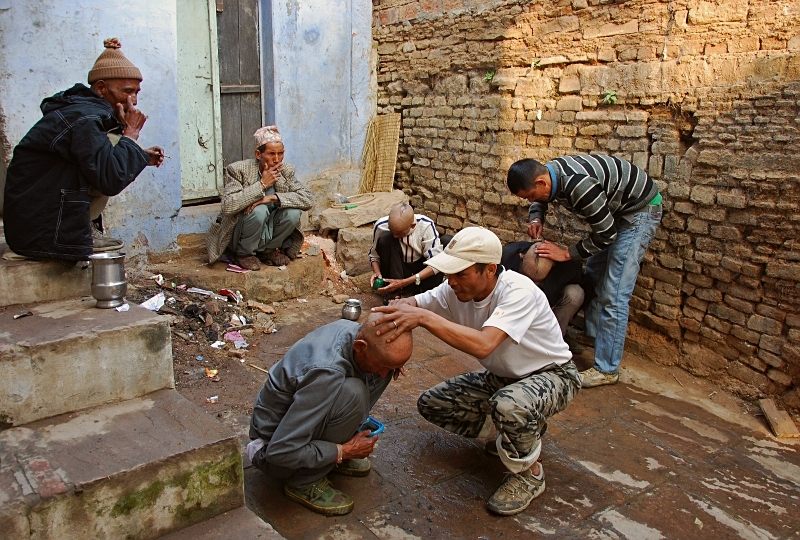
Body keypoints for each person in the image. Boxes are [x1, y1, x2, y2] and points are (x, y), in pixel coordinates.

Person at [372, 227, 580, 516]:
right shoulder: (453, 288)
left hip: (553, 376)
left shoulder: (518, 292)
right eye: (449, 273)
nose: (451, 282)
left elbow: (484, 345)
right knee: (433, 404)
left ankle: (529, 475)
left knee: (509, 405)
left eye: (460, 274)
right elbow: (413, 303)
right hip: (503, 377)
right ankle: (511, 436)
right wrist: (392, 325)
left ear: (489, 270)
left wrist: (423, 318)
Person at [506, 154, 662, 388]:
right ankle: (593, 336)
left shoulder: (579, 185)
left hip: (638, 212)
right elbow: (540, 200)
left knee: (614, 292)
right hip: (613, 212)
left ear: (541, 183)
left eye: (530, 196)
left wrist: (567, 253)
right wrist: (536, 217)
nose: (530, 200)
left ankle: (607, 369)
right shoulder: (548, 174)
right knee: (594, 274)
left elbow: (607, 234)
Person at [3, 38, 164, 261]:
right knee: (113, 145)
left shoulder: (85, 113)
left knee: (113, 143)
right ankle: (78, 229)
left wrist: (139, 155)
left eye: (137, 92)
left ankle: (83, 225)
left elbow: (94, 158)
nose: (133, 101)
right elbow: (110, 179)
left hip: (34, 227)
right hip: (41, 231)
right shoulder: (83, 118)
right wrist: (130, 134)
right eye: (127, 91)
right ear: (100, 88)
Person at [248, 313, 413, 516]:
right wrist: (344, 451)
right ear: (360, 346)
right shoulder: (327, 372)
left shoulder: (353, 332)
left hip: (293, 430)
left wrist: (390, 365)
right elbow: (280, 452)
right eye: (381, 365)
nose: (382, 373)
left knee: (383, 371)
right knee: (354, 393)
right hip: (271, 452)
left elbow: (380, 363)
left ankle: (330, 448)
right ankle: (304, 483)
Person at [206, 125, 313, 271]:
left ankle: (266, 251)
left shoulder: (285, 171)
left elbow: (308, 198)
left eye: (280, 153)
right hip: (240, 235)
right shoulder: (239, 170)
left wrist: (272, 197)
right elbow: (228, 206)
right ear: (258, 154)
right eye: (271, 154)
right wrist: (262, 185)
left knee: (293, 213)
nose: (277, 159)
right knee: (259, 211)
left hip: (267, 233)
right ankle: (244, 254)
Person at [501, 240, 595, 352]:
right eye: (527, 277)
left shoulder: (568, 268)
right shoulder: (505, 257)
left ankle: (557, 338)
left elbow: (588, 288)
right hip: (511, 306)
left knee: (575, 293)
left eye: (536, 281)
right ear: (521, 256)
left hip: (549, 303)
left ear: (553, 266)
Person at [368, 203, 451, 300]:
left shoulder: (426, 226)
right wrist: (377, 272)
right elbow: (374, 256)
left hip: (420, 272)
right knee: (386, 238)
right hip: (397, 269)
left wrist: (405, 282)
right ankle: (394, 293)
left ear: (412, 225)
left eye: (399, 233)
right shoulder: (381, 225)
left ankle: (426, 294)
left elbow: (436, 264)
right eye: (392, 231)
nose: (395, 236)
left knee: (446, 243)